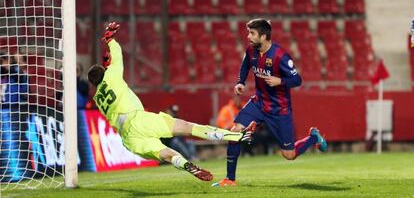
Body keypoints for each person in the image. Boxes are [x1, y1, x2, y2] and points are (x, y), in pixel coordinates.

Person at [87, 22, 256, 182]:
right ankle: (239, 136)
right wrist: (110, 39)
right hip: (140, 120)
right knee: (187, 128)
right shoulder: (112, 75)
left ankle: (185, 164)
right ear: (105, 72)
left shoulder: (97, 98)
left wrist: (106, 68)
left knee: (166, 154)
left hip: (129, 138)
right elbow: (117, 55)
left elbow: (105, 81)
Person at [212, 18, 328, 187]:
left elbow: (297, 80)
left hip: (279, 110)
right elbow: (245, 66)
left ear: (264, 36)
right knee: (235, 131)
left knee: (289, 155)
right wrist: (240, 82)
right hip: (259, 103)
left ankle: (313, 138)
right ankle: (230, 179)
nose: (248, 36)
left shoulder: (280, 56)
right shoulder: (251, 51)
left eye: (252, 33)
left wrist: (279, 81)